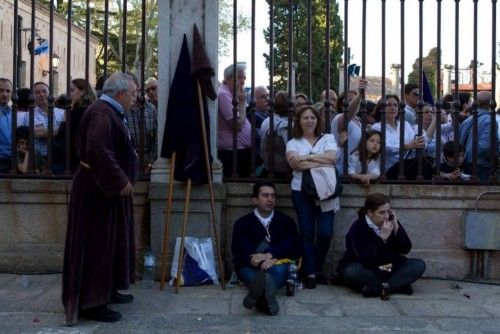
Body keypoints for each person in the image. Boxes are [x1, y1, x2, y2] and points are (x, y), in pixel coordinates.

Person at [62, 72, 139, 325]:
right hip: (97, 192)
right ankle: (93, 302)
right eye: (133, 94)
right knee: (97, 246)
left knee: (113, 242)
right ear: (120, 94)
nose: (135, 99)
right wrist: (120, 181)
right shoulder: (101, 114)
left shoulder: (110, 111)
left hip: (106, 192)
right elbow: (99, 152)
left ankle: (109, 290)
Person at [286, 105, 339, 289]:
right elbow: (295, 165)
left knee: (325, 232)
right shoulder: (293, 142)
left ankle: (316, 267)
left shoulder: (329, 138)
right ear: (299, 121)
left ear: (318, 120)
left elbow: (332, 158)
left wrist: (306, 157)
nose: (309, 121)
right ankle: (310, 272)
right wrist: (318, 159)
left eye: (313, 118)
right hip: (301, 191)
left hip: (325, 191)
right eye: (305, 118)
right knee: (307, 232)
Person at [335, 193, 426, 298]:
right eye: (382, 212)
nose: (386, 216)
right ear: (370, 212)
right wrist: (382, 238)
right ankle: (398, 285)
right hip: (368, 268)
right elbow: (366, 259)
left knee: (418, 264)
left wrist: (396, 226)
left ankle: (376, 289)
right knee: (351, 271)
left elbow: (405, 249)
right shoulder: (358, 227)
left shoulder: (390, 222)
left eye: (388, 211)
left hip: (388, 266)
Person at [231, 181, 300, 315]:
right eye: (265, 195)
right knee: (254, 277)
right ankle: (266, 301)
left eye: (273, 196)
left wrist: (271, 255)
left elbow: (294, 245)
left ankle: (259, 298)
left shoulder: (286, 221)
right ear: (255, 199)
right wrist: (259, 262)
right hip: (249, 266)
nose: (270, 199)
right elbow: (238, 250)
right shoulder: (242, 223)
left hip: (278, 264)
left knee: (277, 271)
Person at [371, 94, 426, 179]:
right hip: (388, 170)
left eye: (395, 105)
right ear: (381, 108)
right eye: (389, 105)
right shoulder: (377, 127)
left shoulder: (405, 125)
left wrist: (420, 143)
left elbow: (415, 143)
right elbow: (384, 147)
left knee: (426, 165)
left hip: (408, 166)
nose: (393, 108)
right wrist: (406, 146)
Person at [53, 79, 97, 173]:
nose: (69, 94)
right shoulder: (93, 109)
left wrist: (67, 113)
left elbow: (63, 133)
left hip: (75, 157)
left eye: (72, 90)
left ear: (83, 91)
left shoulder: (78, 112)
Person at [217, 63, 252, 177]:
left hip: (238, 152)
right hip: (231, 154)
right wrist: (242, 102)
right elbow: (237, 125)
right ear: (228, 79)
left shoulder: (231, 94)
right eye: (239, 77)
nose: (242, 81)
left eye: (244, 78)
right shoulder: (223, 94)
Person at [459, 91, 498, 183]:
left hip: (465, 165)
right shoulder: (490, 121)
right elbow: (485, 148)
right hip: (481, 167)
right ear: (492, 104)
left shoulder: (467, 121)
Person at [18, 82, 65, 158]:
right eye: (37, 93)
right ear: (33, 97)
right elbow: (41, 134)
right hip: (41, 159)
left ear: (50, 93)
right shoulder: (29, 115)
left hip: (61, 157)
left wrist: (47, 131)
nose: (41, 94)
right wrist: (62, 130)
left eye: (44, 91)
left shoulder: (62, 112)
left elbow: (67, 133)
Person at [0, 78, 13, 173]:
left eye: (8, 91)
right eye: (1, 90)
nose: (5, 94)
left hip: (13, 161)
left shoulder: (12, 112)